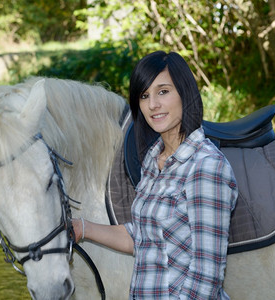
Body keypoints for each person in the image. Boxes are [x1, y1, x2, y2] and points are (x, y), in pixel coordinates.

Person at [73, 51, 238, 299]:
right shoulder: (153, 159)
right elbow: (142, 236)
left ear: (185, 93)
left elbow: (207, 277)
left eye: (163, 91)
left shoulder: (206, 166)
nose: (153, 105)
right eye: (144, 95)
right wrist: (81, 228)